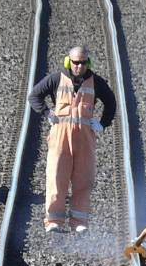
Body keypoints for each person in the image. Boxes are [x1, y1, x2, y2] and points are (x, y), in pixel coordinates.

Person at [27, 45, 117, 233]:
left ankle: (79, 222)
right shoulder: (56, 79)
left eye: (83, 63)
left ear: (88, 63)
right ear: (69, 61)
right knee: (56, 177)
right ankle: (53, 221)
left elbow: (111, 102)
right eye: (75, 62)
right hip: (60, 138)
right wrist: (46, 112)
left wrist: (103, 123)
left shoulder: (96, 82)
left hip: (84, 140)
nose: (79, 66)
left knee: (84, 179)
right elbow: (34, 95)